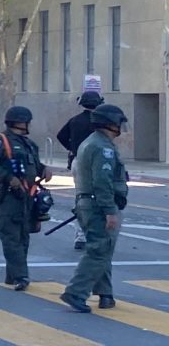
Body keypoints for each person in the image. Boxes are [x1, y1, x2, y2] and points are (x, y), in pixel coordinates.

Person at [61, 104, 130, 313]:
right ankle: (76, 292)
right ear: (109, 123)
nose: (120, 127)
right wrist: (109, 210)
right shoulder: (102, 148)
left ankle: (105, 294)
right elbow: (102, 181)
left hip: (88, 203)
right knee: (98, 252)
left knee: (103, 249)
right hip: (98, 206)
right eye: (118, 123)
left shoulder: (93, 143)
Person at [0, 106, 53, 291]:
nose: (28, 124)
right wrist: (8, 178)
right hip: (8, 198)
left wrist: (44, 169)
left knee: (23, 238)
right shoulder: (0, 141)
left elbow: (35, 165)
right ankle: (21, 276)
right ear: (18, 121)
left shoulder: (28, 144)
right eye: (26, 121)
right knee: (11, 238)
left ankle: (11, 275)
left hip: (27, 198)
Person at [57, 91, 103, 251]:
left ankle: (80, 235)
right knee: (101, 197)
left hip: (78, 161)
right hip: (97, 163)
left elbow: (60, 136)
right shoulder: (100, 122)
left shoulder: (75, 121)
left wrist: (73, 148)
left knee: (81, 197)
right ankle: (96, 234)